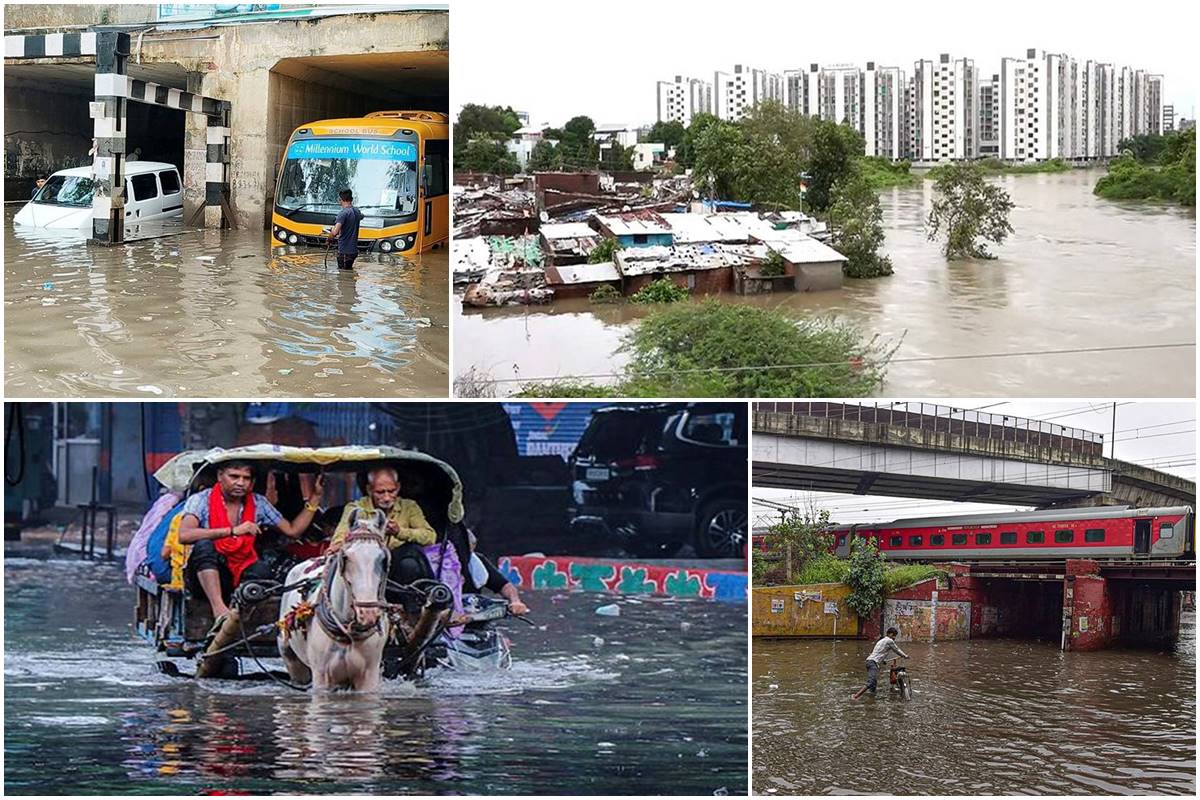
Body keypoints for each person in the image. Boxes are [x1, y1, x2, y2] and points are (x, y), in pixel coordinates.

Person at [178, 460, 325, 619]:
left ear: (252, 482)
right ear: (220, 476)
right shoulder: (201, 500)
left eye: (245, 478)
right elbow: (185, 535)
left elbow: (293, 531)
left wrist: (315, 497)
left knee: (263, 570)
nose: (240, 483)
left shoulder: (258, 502)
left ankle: (239, 611)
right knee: (204, 546)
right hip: (203, 577)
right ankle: (219, 610)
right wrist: (233, 531)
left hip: (240, 571)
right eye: (234, 476)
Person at [329, 467, 437, 596]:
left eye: (391, 491)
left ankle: (414, 607)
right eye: (380, 492)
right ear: (369, 490)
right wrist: (340, 544)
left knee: (412, 555)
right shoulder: (356, 508)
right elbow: (340, 536)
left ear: (398, 487)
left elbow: (430, 536)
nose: (386, 498)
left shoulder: (409, 507)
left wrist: (400, 532)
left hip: (398, 569)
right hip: (367, 568)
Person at [462, 529, 528, 616]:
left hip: (471, 612)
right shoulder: (440, 562)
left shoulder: (476, 561)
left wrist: (515, 601)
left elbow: (504, 585)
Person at [852, 626, 908, 700]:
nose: (894, 638)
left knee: (873, 684)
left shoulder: (881, 641)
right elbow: (896, 650)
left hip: (869, 661)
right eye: (894, 635)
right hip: (873, 663)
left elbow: (878, 653)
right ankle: (855, 696)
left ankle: (871, 699)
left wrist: (882, 661)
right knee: (871, 682)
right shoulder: (889, 641)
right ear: (890, 634)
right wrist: (905, 656)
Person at [327, 188, 363, 271]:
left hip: (344, 252)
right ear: (352, 199)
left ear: (340, 200)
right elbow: (361, 216)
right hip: (353, 251)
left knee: (342, 276)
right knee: (348, 272)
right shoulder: (357, 212)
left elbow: (335, 232)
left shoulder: (343, 213)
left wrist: (329, 239)